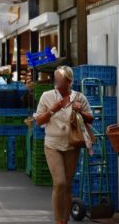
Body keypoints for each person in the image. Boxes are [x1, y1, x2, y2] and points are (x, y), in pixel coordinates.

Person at [35, 66, 94, 224]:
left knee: (68, 185)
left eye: (58, 79)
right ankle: (58, 220)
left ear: (68, 81)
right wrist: (52, 110)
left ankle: (65, 220)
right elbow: (39, 120)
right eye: (55, 78)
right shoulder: (47, 96)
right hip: (52, 145)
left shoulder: (79, 97)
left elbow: (91, 118)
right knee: (59, 182)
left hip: (72, 145)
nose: (55, 82)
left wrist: (80, 111)